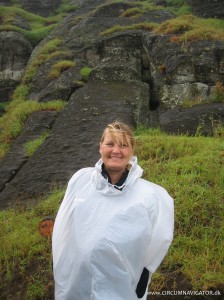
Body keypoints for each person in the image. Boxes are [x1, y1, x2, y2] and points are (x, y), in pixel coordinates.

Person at [52, 121, 174, 300]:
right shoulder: (80, 181)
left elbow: (160, 237)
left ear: (131, 151)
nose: (116, 151)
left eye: (123, 145)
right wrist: (58, 257)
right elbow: (64, 225)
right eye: (110, 144)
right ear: (100, 147)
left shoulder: (151, 196)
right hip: (75, 281)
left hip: (120, 283)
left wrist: (146, 271)